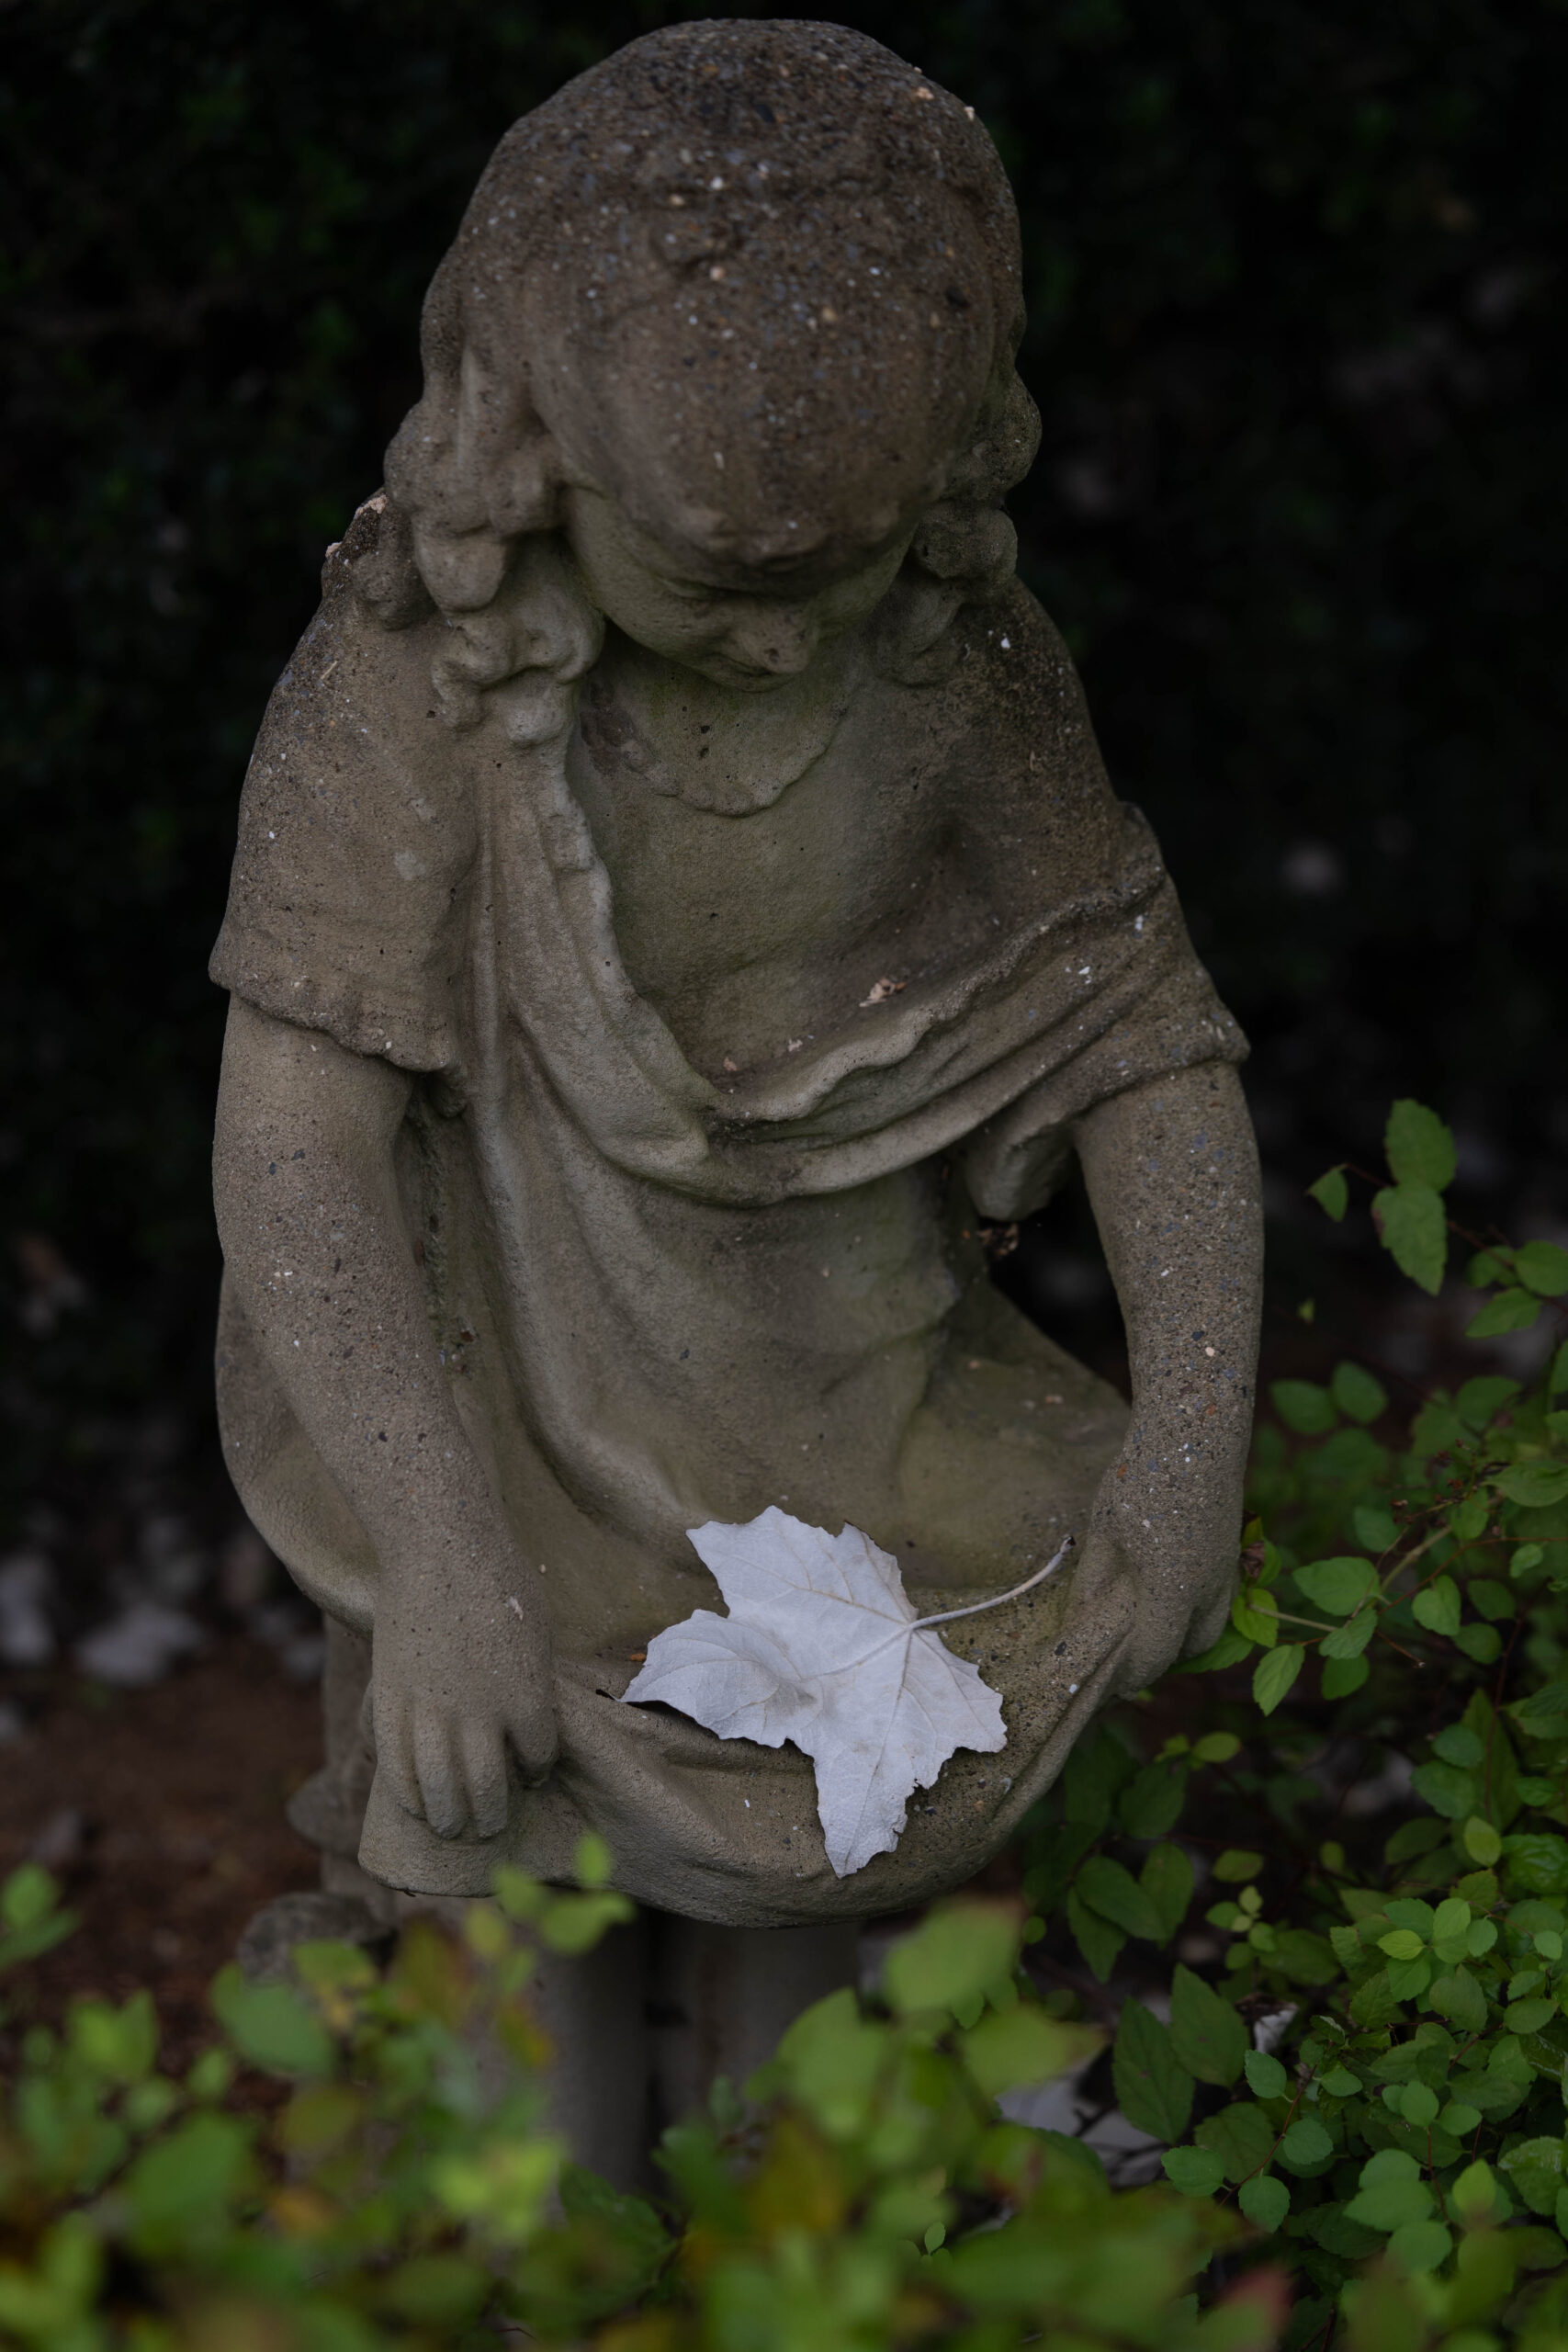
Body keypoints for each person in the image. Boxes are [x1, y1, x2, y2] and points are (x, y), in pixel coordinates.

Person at [211, 20, 1260, 2131]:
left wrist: (1187, 1438)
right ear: (533, 459)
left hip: (849, 1368)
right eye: (712, 580)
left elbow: (1147, 1046)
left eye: (837, 571)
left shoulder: (952, 659)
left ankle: (785, 2200)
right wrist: (438, 1550)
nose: (783, 643)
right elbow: (297, 1140)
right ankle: (535, 2222)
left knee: (849, 1807)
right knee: (511, 1870)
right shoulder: (419, 679)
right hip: (508, 1381)